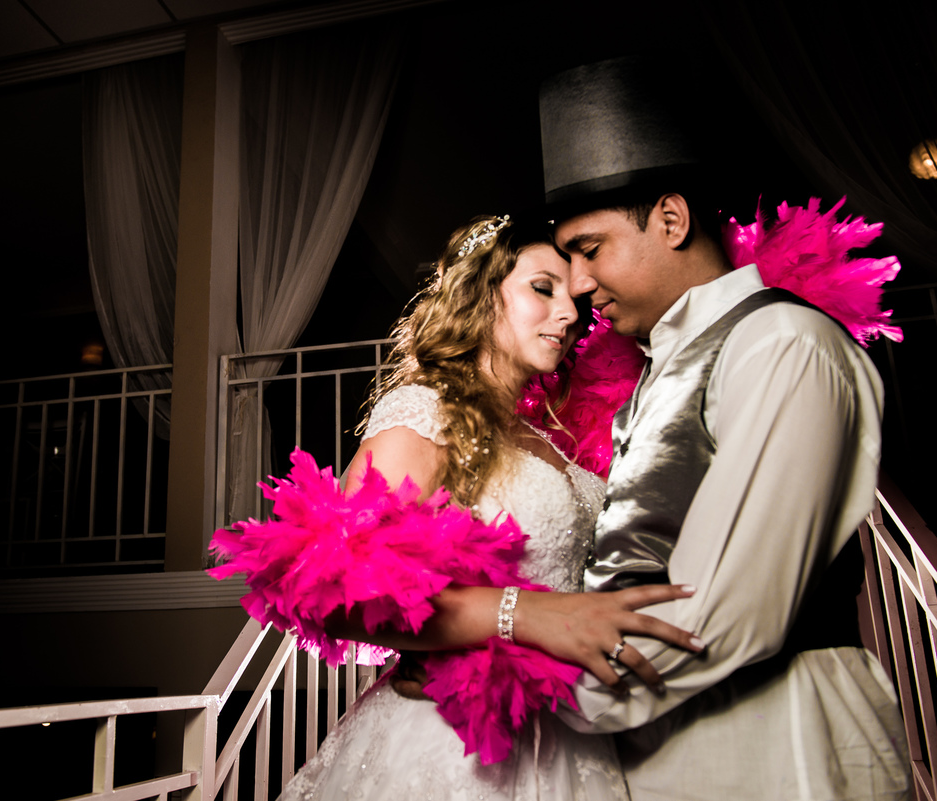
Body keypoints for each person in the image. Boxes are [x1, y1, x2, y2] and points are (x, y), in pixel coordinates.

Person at [539, 57, 911, 799]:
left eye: (590, 250)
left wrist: (541, 700)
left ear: (672, 220)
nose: (578, 285)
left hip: (782, 750)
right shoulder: (659, 368)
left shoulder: (782, 344)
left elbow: (719, 612)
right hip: (660, 753)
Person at [277, 215, 703, 801]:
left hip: (573, 740)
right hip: (453, 751)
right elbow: (339, 592)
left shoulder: (545, 438)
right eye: (542, 287)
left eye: (576, 297)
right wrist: (521, 615)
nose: (571, 313)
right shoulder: (423, 413)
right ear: (482, 292)